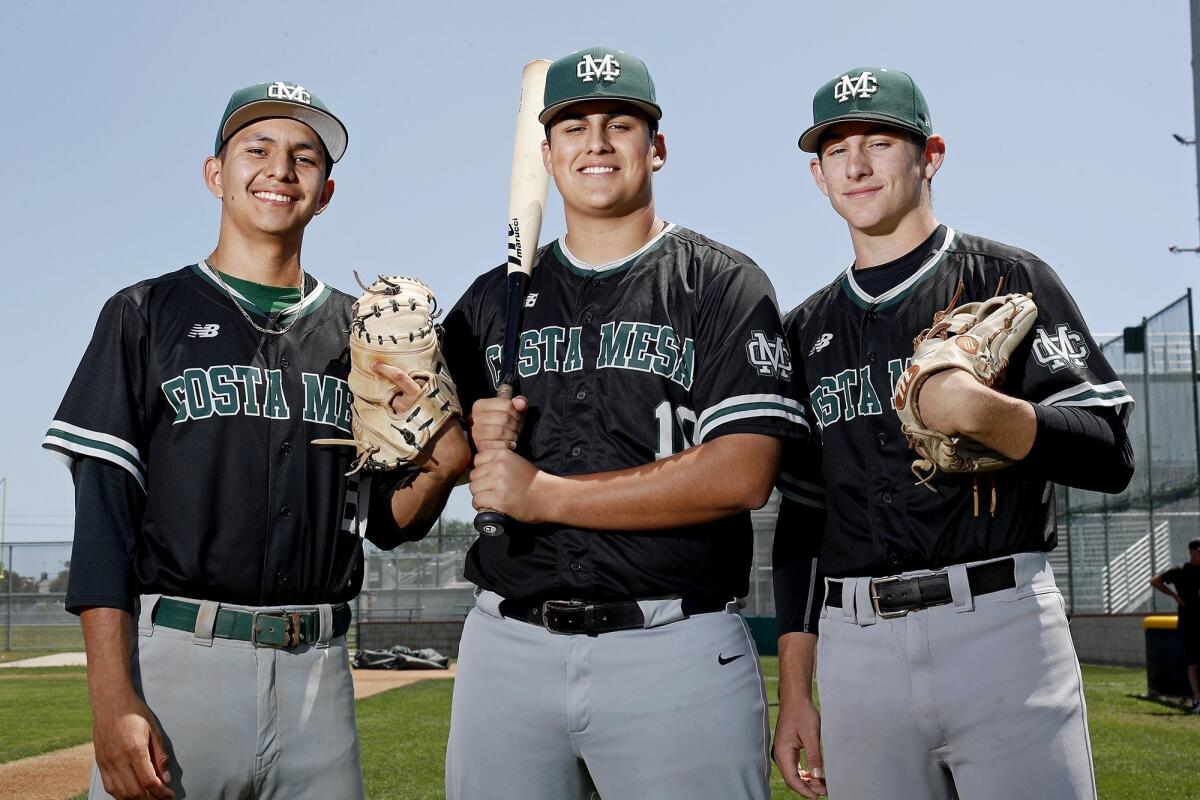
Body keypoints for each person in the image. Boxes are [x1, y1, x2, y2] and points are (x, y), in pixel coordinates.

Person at [42, 81, 468, 800]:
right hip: (179, 665)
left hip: (321, 678)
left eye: (305, 157)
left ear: (325, 192)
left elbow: (384, 525)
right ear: (217, 173)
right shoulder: (145, 314)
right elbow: (105, 522)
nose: (281, 169)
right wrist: (111, 697)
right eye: (258, 149)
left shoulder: (358, 335)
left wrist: (444, 467)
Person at [436, 47, 806, 799]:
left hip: (674, 644)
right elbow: (417, 476)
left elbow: (744, 471)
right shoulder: (490, 301)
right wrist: (464, 433)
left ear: (657, 148)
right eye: (573, 127)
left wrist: (543, 494)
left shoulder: (721, 282)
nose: (596, 143)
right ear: (546, 155)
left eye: (620, 124)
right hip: (508, 644)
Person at [771, 67, 1136, 799]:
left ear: (930, 156)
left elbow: (1110, 452)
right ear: (817, 175)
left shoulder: (1010, 278)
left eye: (881, 141)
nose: (859, 163)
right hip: (857, 641)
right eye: (838, 149)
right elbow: (803, 519)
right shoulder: (805, 329)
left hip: (998, 625)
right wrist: (796, 691)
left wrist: (988, 414)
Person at [1150, 537, 1200, 712]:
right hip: (1190, 622)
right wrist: (1173, 595)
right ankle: (1197, 699)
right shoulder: (1181, 572)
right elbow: (1155, 581)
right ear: (1192, 552)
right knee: (1193, 663)